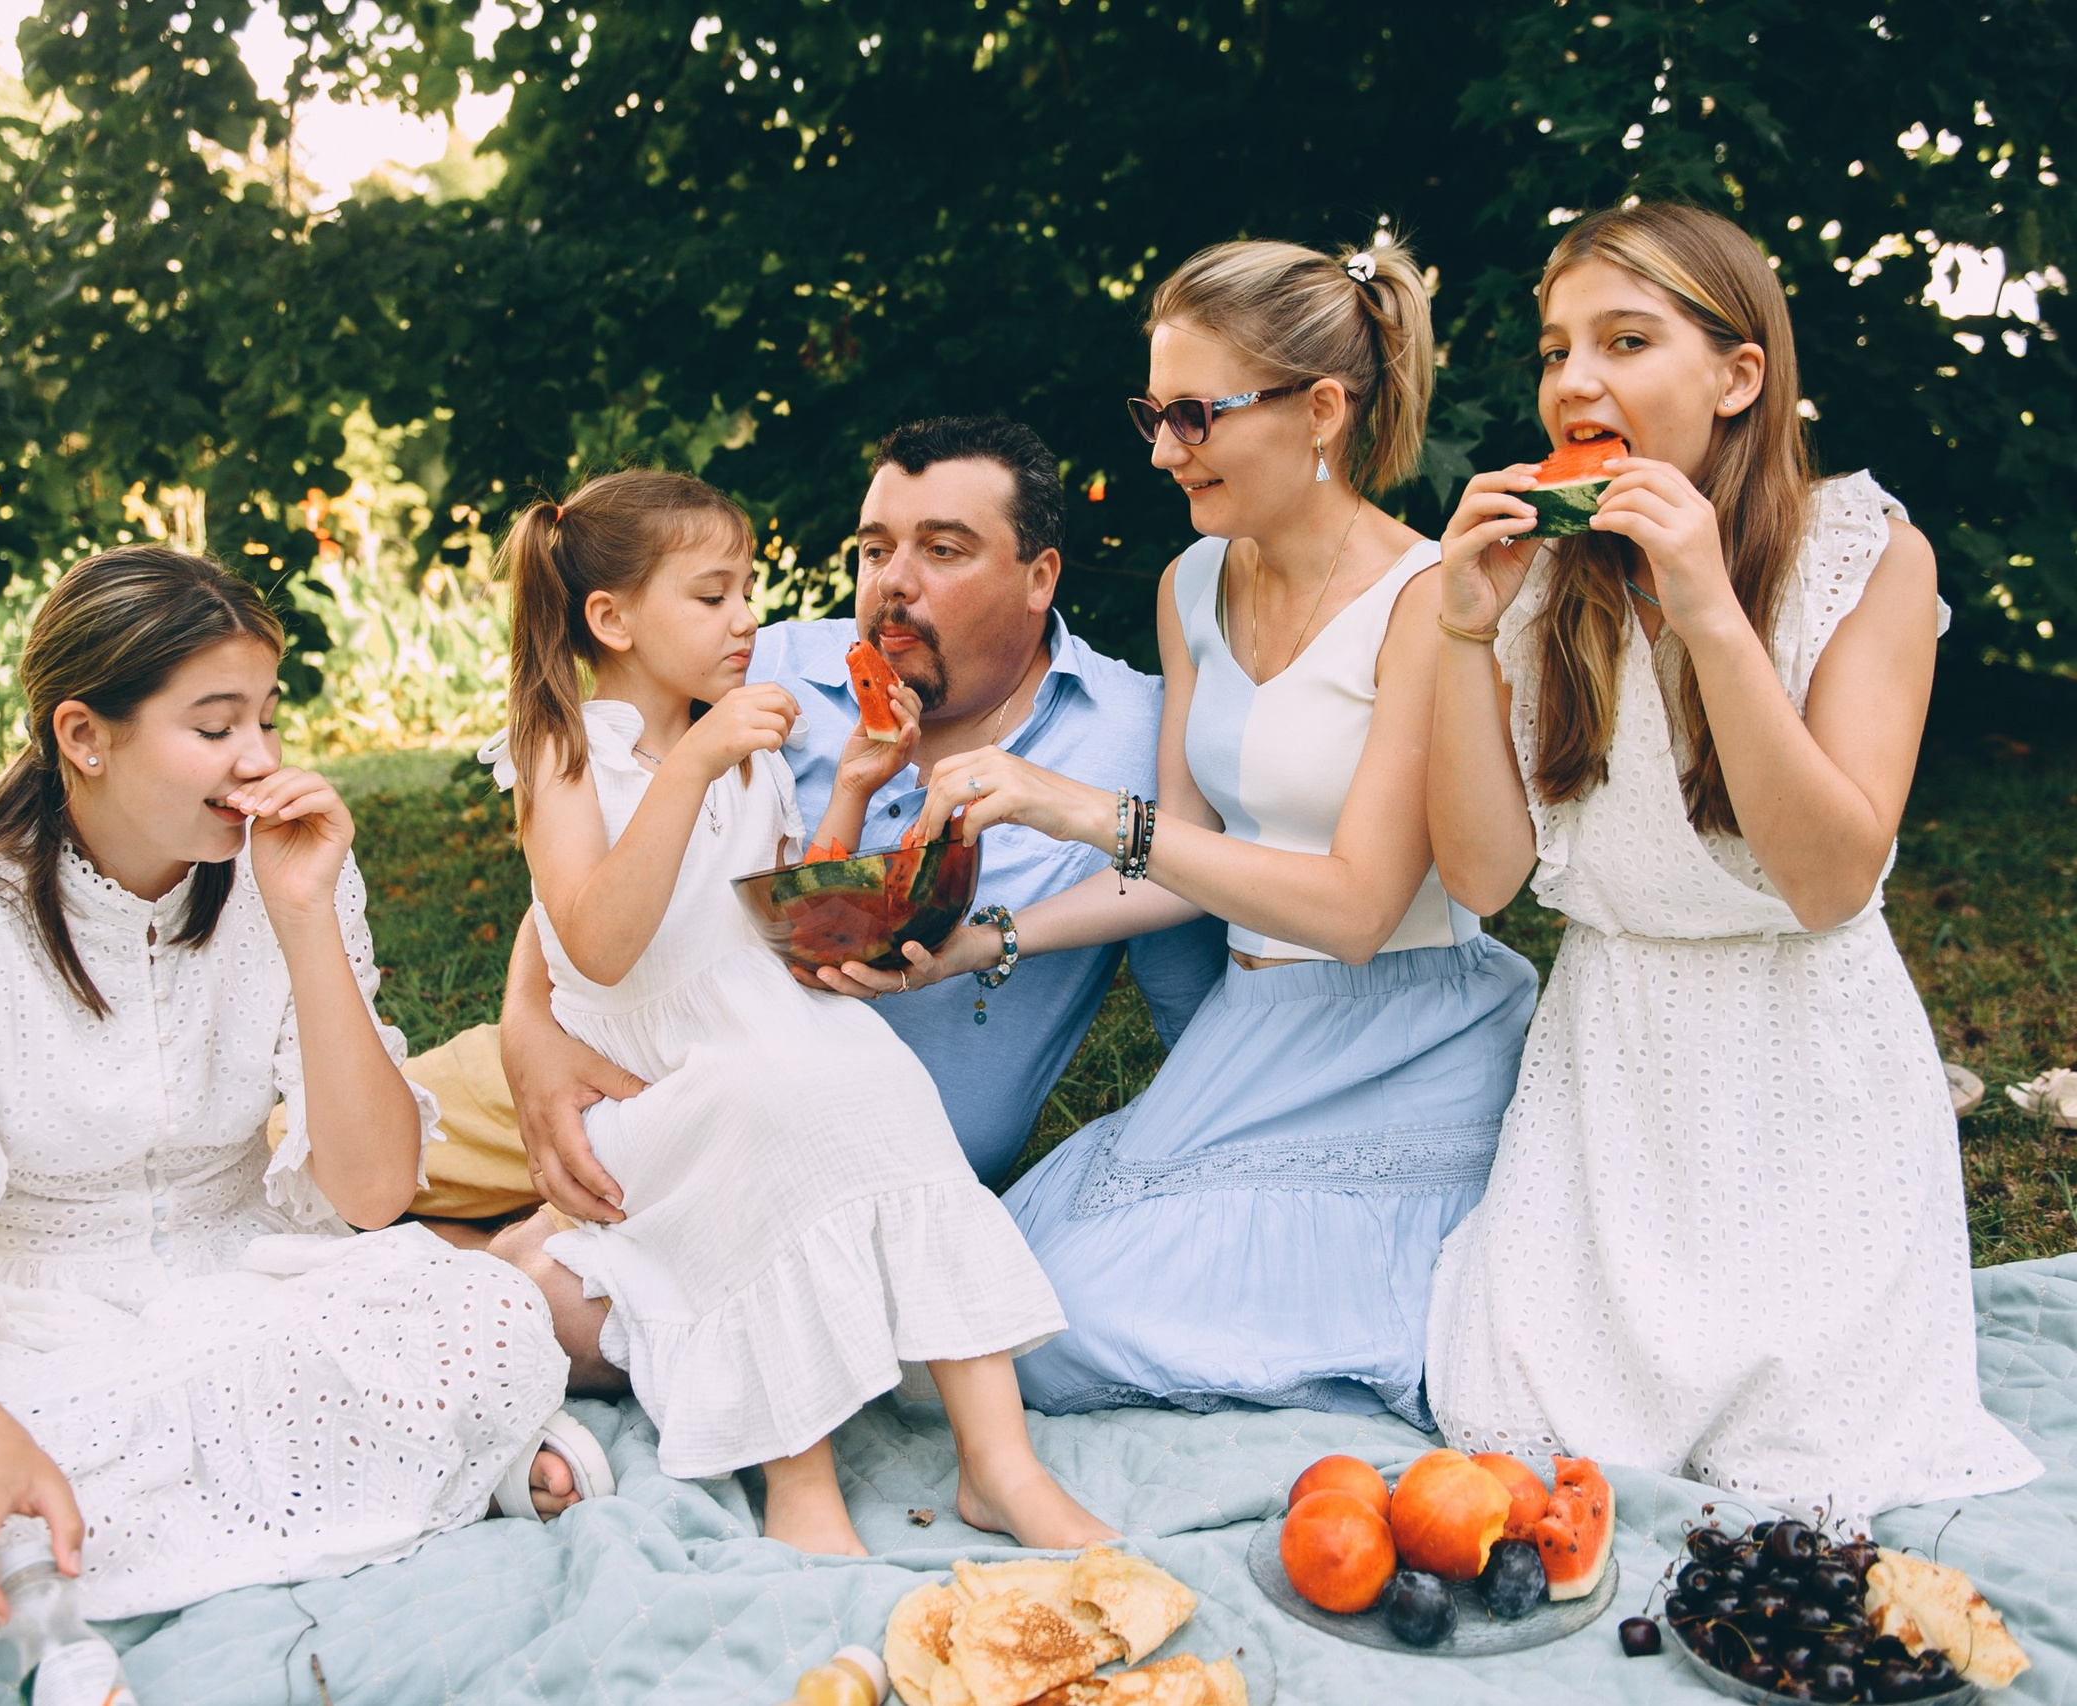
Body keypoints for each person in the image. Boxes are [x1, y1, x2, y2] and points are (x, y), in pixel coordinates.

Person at [0, 548, 602, 1705]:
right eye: (215, 725)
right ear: (84, 736)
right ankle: (348, 1489)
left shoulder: (295, 877)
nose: (261, 759)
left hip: (256, 1299)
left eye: (266, 719)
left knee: (474, 1306)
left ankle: (69, 1555)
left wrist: (303, 921)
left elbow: (375, 1192)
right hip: (25, 1337)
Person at [1419, 201, 2041, 1517]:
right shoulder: (1545, 581)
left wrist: (1707, 606)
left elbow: (1826, 879)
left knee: (1814, 1466)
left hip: (1809, 1069)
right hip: (1610, 1070)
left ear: (1738, 375)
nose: (1576, 378)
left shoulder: (1864, 555)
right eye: (1555, 348)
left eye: (1626, 339)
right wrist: (1464, 637)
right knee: (1514, 1426)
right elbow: (1478, 879)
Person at [891, 236, 1537, 1425]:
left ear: (1321, 411)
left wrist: (1085, 810)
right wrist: (982, 940)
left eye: (1194, 414)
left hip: (1402, 1035)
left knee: (1055, 1332)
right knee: (975, 1314)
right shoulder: (1192, 583)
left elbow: (1352, 909)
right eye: (1152, 411)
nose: (1160, 449)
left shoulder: (1423, 597)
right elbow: (1176, 873)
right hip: (1251, 1035)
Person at [483, 466, 1111, 1557]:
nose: (747, 619)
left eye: (748, 589)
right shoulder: (562, 747)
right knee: (767, 1107)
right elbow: (598, 940)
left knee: (885, 1084)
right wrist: (693, 763)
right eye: (713, 594)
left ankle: (998, 1464)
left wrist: (857, 791)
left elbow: (779, 914)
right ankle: (799, 1473)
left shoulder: (736, 742)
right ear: (610, 617)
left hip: (771, 1025)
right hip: (664, 1078)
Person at [405, 417, 1227, 1237]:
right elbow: (595, 854)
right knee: (322, 1155)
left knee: (546, 1298)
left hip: (852, 1162)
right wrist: (528, 1033)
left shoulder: (1134, 738)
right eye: (875, 550)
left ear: (1037, 577)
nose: (893, 583)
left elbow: (1194, 988)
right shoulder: (754, 670)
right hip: (615, 1063)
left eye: (942, 550)